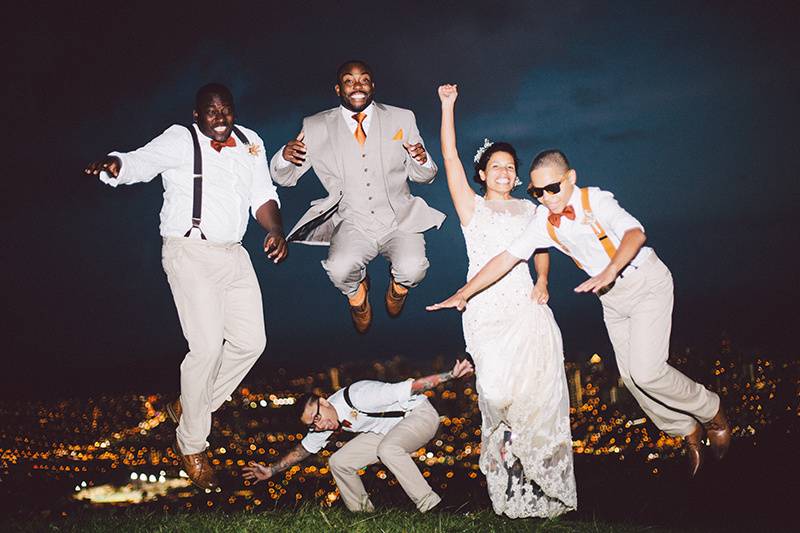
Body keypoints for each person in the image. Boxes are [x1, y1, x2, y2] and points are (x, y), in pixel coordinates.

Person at [428, 149, 731, 477]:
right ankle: (686, 429)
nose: (546, 198)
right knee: (630, 378)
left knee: (647, 372)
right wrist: (463, 293)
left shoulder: (596, 201)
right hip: (612, 300)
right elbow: (506, 258)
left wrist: (612, 269)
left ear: (570, 179)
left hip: (645, 283)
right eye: (537, 192)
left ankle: (712, 411)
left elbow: (635, 234)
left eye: (552, 188)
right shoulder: (544, 220)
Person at [84, 83, 287, 490]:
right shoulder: (180, 139)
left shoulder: (251, 142)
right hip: (189, 253)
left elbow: (262, 194)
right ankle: (192, 443)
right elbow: (140, 162)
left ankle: (189, 405)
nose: (220, 118)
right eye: (210, 112)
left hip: (234, 254)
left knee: (252, 342)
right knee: (208, 348)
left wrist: (276, 230)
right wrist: (115, 165)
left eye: (225, 110)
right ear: (197, 115)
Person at [434, 84, 576, 517]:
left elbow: (542, 249)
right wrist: (448, 106)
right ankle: (503, 458)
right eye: (496, 166)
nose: (503, 172)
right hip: (483, 311)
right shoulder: (471, 208)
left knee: (535, 397)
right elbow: (450, 157)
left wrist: (544, 280)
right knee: (495, 394)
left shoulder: (531, 211)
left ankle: (540, 498)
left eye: (509, 167)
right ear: (484, 174)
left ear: (516, 176)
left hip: (525, 307)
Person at [270, 60, 444, 333]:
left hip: (398, 219)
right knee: (339, 269)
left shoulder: (402, 118)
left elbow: (425, 176)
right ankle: (358, 297)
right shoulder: (315, 126)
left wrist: (422, 160)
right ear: (338, 89)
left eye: (364, 80)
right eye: (349, 81)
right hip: (352, 221)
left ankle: (397, 290)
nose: (357, 86)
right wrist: (284, 157)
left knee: (414, 269)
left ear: (372, 85)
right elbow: (284, 178)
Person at [242, 359, 473, 512]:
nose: (320, 426)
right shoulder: (324, 422)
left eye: (317, 418)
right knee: (338, 462)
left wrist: (451, 375)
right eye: (312, 424)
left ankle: (432, 507)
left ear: (324, 401)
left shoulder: (360, 395)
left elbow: (410, 387)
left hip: (419, 416)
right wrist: (271, 470)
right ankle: (363, 513)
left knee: (387, 449)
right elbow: (304, 449)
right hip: (388, 431)